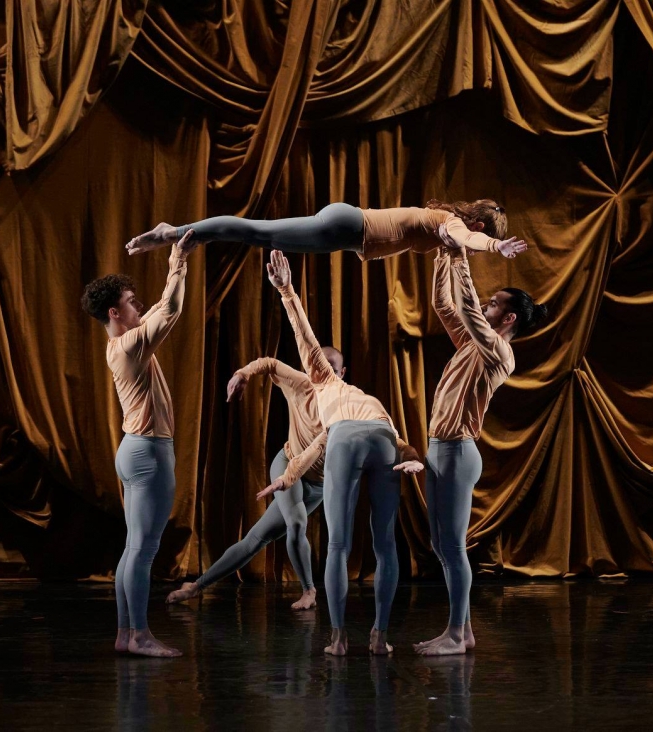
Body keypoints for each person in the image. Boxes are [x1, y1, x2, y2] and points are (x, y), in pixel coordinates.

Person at [261, 249, 424, 655]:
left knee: (338, 545)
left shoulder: (324, 382)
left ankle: (338, 639)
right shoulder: (370, 399)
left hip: (346, 437)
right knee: (385, 543)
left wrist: (287, 291)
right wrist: (414, 457)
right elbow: (397, 440)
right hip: (382, 437)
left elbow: (306, 339)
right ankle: (380, 637)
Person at [414, 224, 547, 656]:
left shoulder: (499, 351)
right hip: (439, 449)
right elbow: (444, 305)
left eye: (495, 304)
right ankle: (462, 631)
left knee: (453, 546)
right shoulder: (473, 343)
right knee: (440, 545)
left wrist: (460, 256)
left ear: (508, 319)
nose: (486, 305)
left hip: (457, 452)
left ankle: (457, 634)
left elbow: (469, 309)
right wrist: (442, 253)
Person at [79, 230, 197, 657]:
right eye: (131, 301)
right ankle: (140, 635)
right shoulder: (129, 346)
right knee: (144, 551)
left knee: (134, 548)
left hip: (134, 449)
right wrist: (178, 260)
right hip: (148, 452)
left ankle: (125, 633)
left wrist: (176, 260)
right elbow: (172, 309)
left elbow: (162, 308)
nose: (139, 305)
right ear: (115, 312)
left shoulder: (123, 344)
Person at [165, 352, 344, 610]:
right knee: (296, 523)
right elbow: (270, 363)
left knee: (255, 540)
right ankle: (309, 591)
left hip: (317, 486)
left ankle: (195, 587)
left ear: (342, 373)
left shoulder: (348, 403)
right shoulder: (300, 384)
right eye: (318, 369)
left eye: (332, 370)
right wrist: (243, 374)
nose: (323, 376)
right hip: (287, 465)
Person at [125, 199, 527, 262]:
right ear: (478, 224)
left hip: (345, 231)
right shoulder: (450, 223)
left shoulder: (440, 224)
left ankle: (189, 234)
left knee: (258, 236)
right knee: (257, 232)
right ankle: (174, 231)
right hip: (347, 227)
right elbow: (467, 238)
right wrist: (495, 247)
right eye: (482, 233)